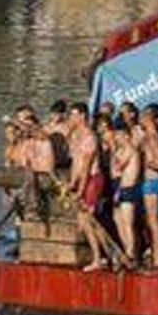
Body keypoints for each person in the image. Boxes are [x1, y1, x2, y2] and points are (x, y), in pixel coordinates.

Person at [66, 103, 109, 272]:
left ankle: (98, 259)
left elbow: (85, 168)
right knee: (86, 222)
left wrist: (80, 190)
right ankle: (105, 256)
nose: (71, 118)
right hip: (82, 180)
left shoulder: (90, 137)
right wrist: (71, 183)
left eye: (73, 115)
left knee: (87, 221)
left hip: (92, 180)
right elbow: (75, 163)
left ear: (82, 116)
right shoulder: (75, 135)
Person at [137, 104, 158, 269]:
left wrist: (143, 162)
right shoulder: (147, 136)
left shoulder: (153, 138)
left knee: (153, 221)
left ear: (150, 118)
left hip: (152, 181)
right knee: (151, 221)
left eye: (143, 116)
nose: (140, 119)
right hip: (148, 181)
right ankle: (157, 253)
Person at [110, 119, 142, 266]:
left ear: (127, 136)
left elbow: (118, 166)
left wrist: (113, 151)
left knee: (128, 222)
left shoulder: (130, 149)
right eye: (116, 135)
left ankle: (131, 252)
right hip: (120, 186)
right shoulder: (121, 149)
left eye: (119, 135)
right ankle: (126, 249)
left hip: (128, 188)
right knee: (118, 220)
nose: (117, 138)